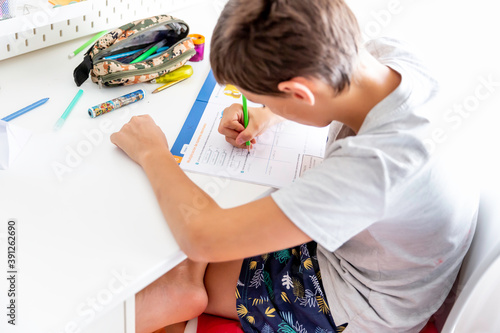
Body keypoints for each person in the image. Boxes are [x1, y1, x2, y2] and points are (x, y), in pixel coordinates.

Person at [110, 0, 479, 332]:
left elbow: (204, 238)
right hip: (381, 256)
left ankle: (182, 290)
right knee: (201, 223)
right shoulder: (390, 58)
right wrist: (265, 114)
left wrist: (152, 152)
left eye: (257, 97)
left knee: (177, 256)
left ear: (299, 92)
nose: (256, 104)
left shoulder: (374, 166)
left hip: (356, 308)